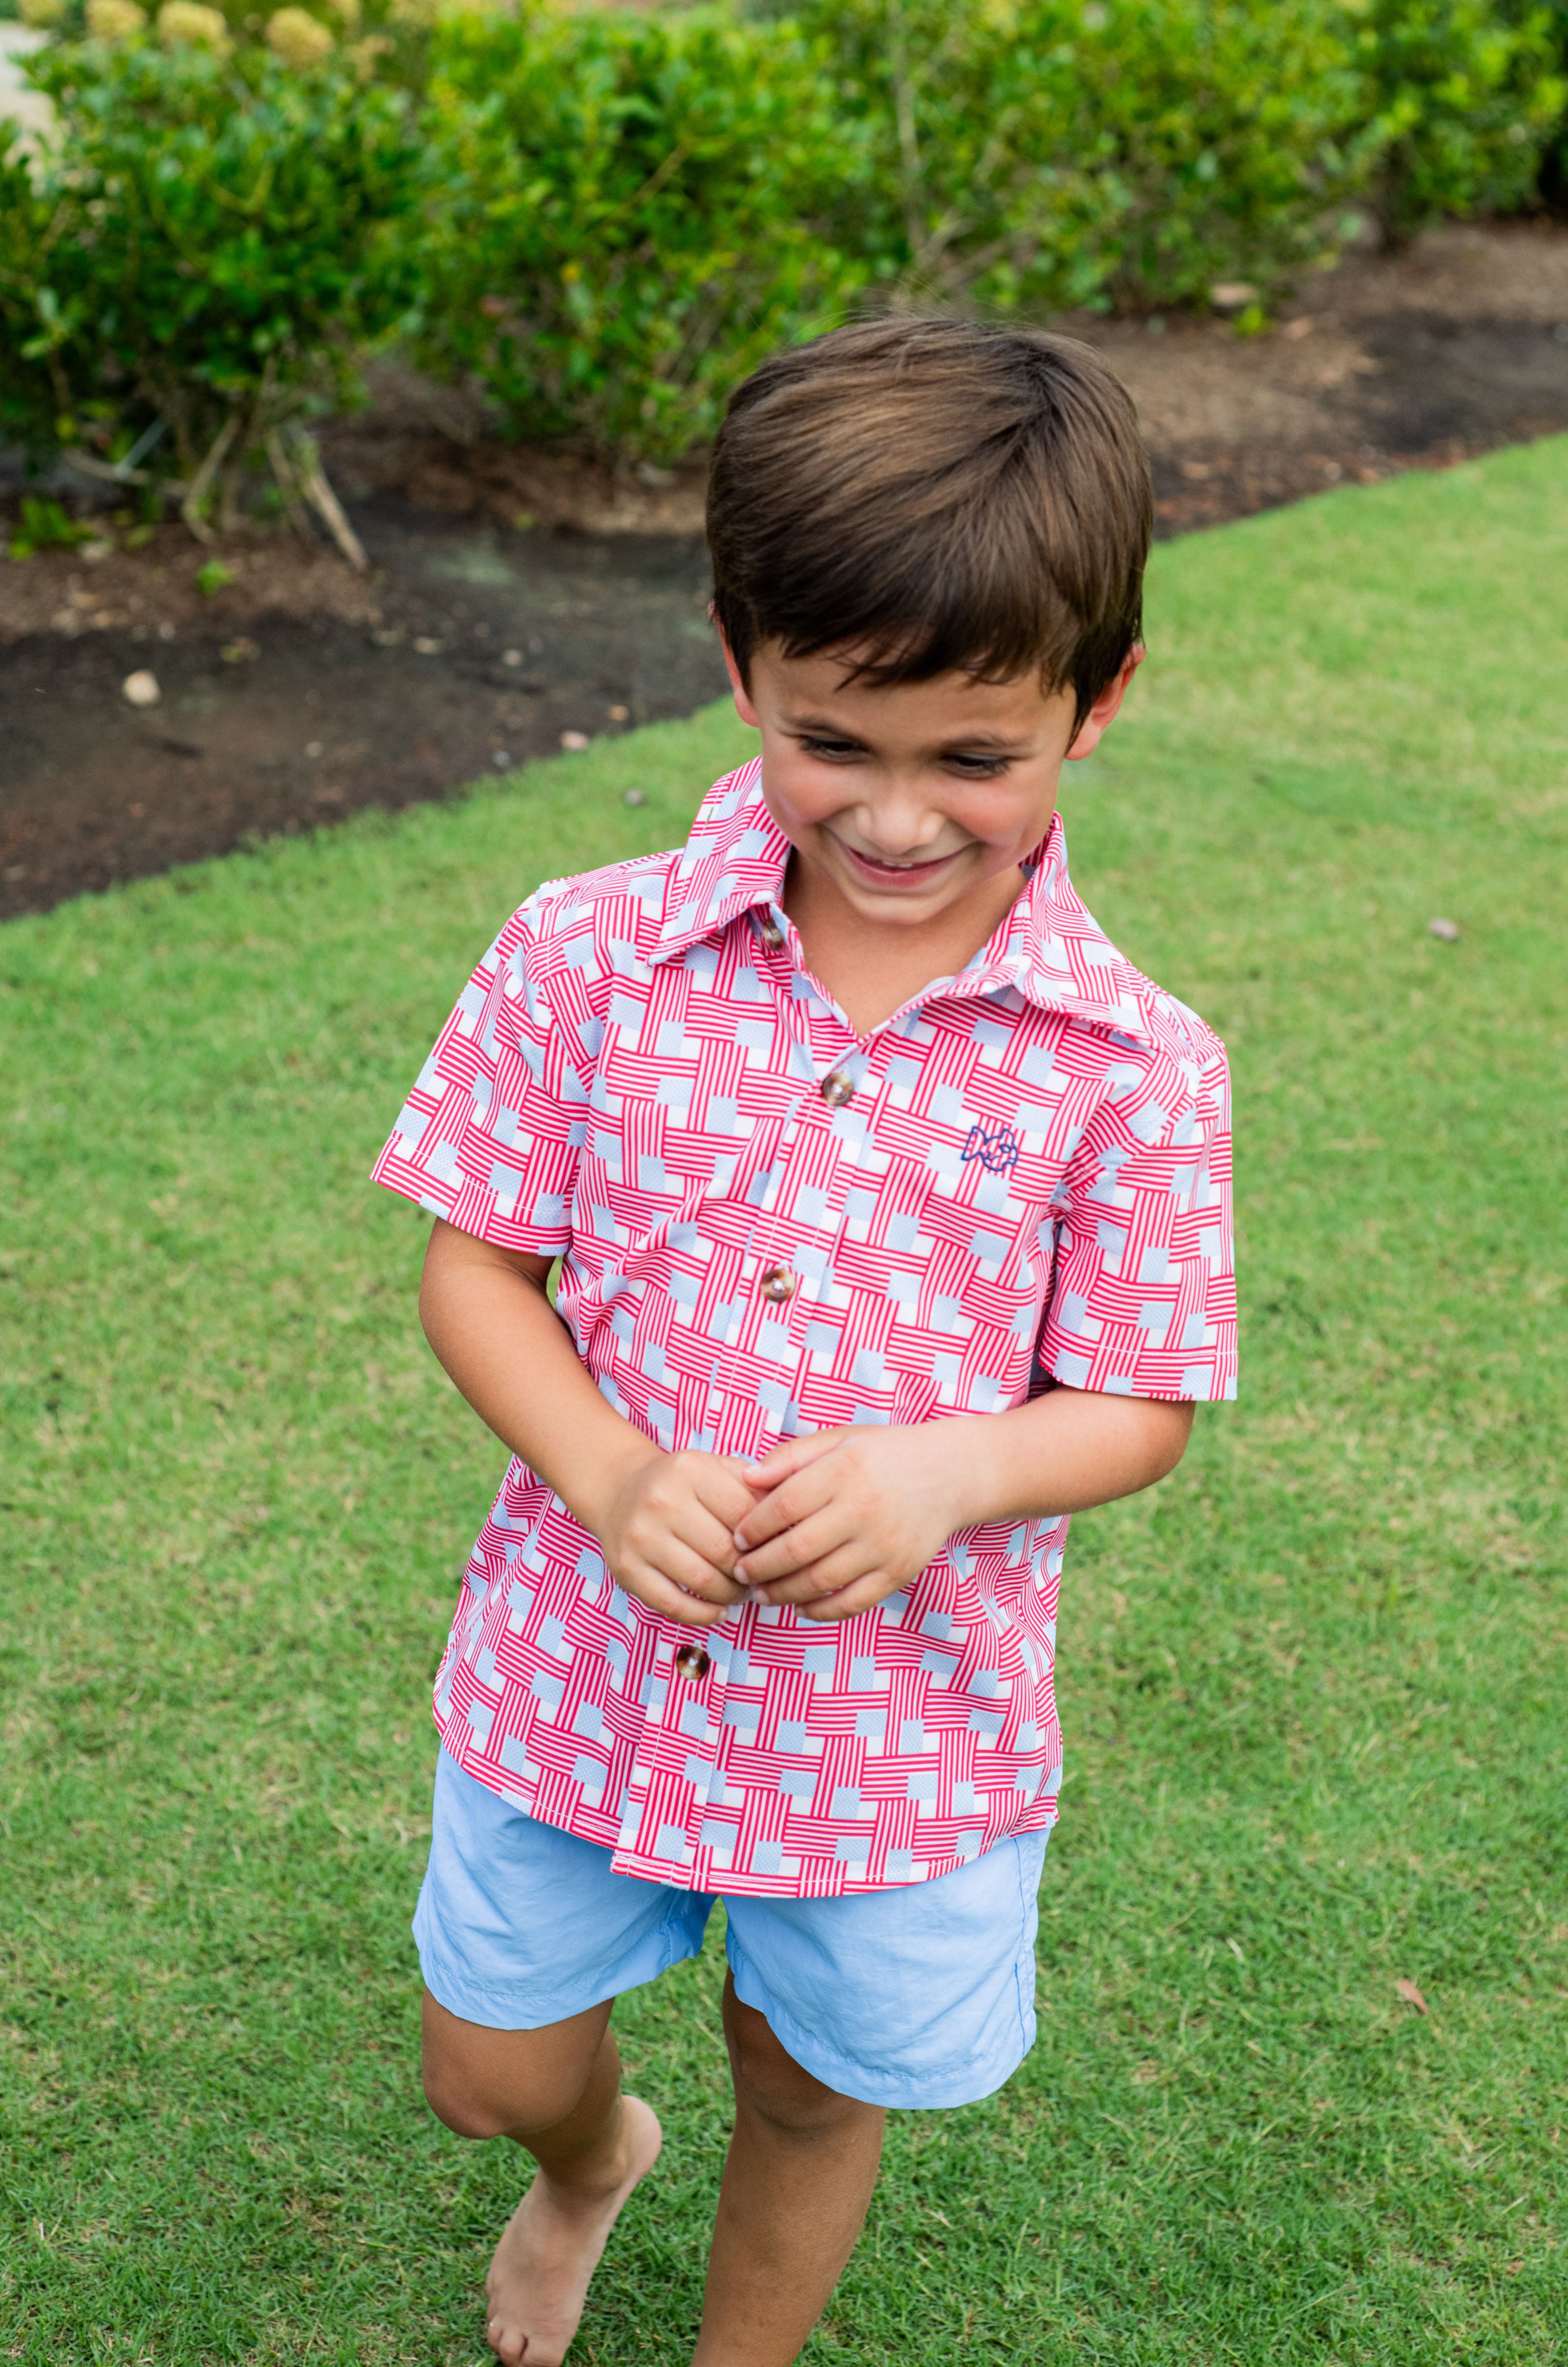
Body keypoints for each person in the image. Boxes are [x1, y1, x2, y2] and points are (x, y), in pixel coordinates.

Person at [372, 316, 1237, 2367]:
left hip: (889, 1725)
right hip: (581, 1655)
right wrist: (612, 1472)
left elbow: (1137, 1406)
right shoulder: (588, 950)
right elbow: (475, 1269)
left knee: (810, 2085)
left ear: (1096, 704)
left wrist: (954, 1470)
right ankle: (590, 2163)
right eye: (838, 741)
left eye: (976, 757)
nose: (903, 816)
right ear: (738, 658)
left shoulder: (1137, 1065)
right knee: (487, 2068)